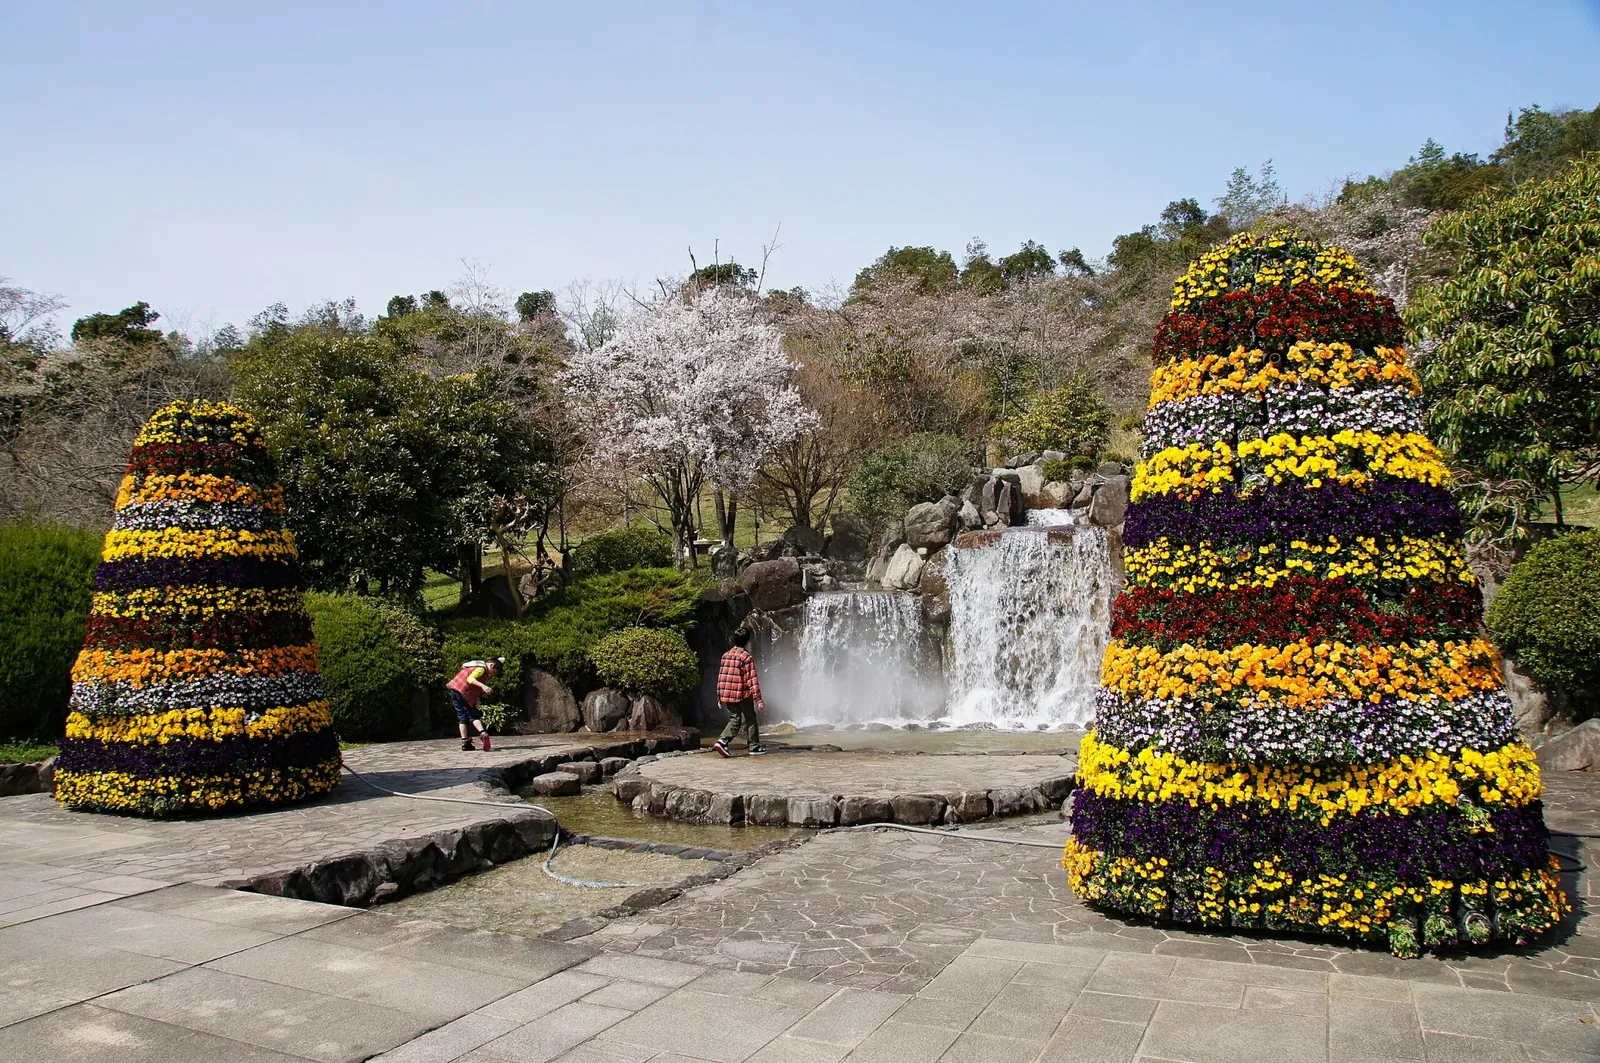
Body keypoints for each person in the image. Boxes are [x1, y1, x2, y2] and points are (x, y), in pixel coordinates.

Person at [713, 628, 767, 757]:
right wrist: (758, 699)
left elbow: (721, 676)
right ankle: (753, 747)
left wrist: (719, 696)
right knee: (751, 719)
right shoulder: (746, 657)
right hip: (742, 694)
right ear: (747, 641)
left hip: (727, 693)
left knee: (735, 718)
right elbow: (752, 679)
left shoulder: (725, 655)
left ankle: (723, 742)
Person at [447, 657, 503, 751]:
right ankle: (483, 733)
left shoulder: (474, 666)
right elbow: (470, 679)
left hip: (455, 691)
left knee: (461, 716)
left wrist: (476, 698)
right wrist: (484, 686)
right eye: (493, 672)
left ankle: (465, 742)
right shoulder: (481, 668)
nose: (492, 674)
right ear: (491, 665)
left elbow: (472, 685)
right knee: (473, 715)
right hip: (464, 693)